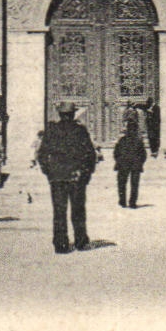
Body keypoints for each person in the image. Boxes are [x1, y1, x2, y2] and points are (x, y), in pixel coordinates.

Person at [36, 104, 96, 253]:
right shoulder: (80, 130)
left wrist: (48, 172)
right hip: (76, 176)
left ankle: (61, 244)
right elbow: (90, 154)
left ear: (60, 114)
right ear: (73, 114)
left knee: (59, 211)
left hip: (57, 177)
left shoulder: (51, 131)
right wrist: (87, 173)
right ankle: (80, 241)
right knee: (78, 210)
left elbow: (42, 154)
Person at [112, 119, 148, 208]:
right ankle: (132, 202)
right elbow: (143, 154)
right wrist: (140, 163)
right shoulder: (139, 141)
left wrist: (118, 161)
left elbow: (116, 152)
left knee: (121, 184)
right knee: (134, 185)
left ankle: (122, 201)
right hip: (135, 165)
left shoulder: (122, 140)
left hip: (123, 164)